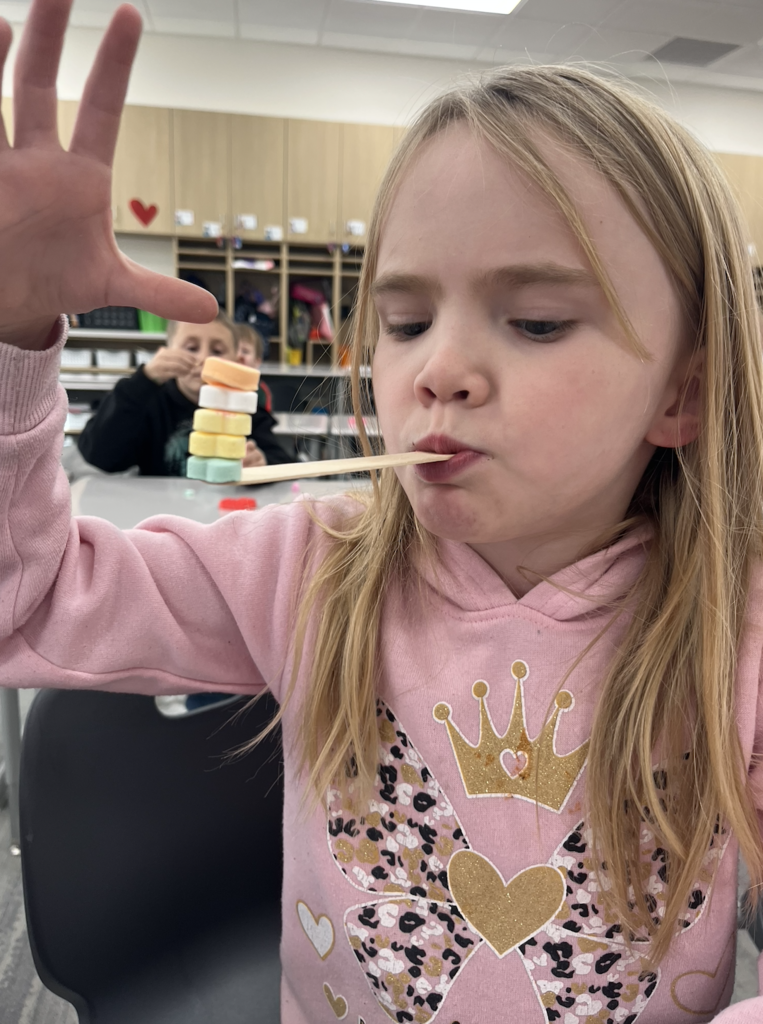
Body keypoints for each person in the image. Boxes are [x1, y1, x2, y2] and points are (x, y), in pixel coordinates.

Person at [1, 2, 763, 1022]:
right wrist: (13, 338)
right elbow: (28, 600)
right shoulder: (310, 568)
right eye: (404, 320)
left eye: (535, 321)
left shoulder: (735, 632)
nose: (436, 369)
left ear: (680, 393)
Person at [77, 311, 289, 473]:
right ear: (169, 351)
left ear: (236, 360)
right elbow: (98, 454)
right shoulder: (150, 404)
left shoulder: (245, 409)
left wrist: (262, 463)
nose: (203, 358)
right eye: (191, 347)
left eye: (217, 351)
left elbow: (284, 463)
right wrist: (144, 380)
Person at [234, 321, 274, 412]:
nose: (239, 355)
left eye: (245, 351)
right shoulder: (219, 385)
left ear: (257, 362)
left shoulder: (261, 391)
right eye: (235, 349)